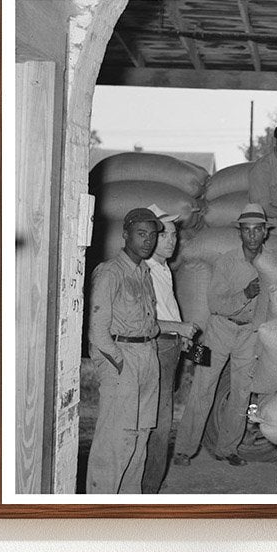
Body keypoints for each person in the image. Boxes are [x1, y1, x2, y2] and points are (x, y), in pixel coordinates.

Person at [171, 205, 270, 467]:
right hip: (218, 330)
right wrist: (246, 294)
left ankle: (227, 448)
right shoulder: (226, 261)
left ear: (264, 233)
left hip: (250, 334)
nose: (251, 236)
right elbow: (215, 304)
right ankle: (184, 449)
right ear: (240, 233)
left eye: (257, 230)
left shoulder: (271, 264)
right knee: (202, 388)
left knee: (241, 393)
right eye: (246, 231)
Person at [86, 207, 163, 494]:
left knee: (140, 440)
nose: (148, 241)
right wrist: (118, 364)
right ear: (125, 235)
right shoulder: (110, 273)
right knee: (114, 443)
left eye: (152, 235)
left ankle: (129, 508)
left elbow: (148, 322)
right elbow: (97, 330)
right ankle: (99, 509)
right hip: (123, 358)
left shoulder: (144, 272)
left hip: (147, 357)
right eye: (141, 234)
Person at [141, 204, 199, 493]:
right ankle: (147, 491)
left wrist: (181, 333)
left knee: (162, 422)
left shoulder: (163, 269)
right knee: (158, 426)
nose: (171, 241)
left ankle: (149, 486)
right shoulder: (145, 272)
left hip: (169, 348)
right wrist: (178, 328)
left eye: (174, 235)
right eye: (165, 236)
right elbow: (143, 321)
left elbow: (165, 309)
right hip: (156, 348)